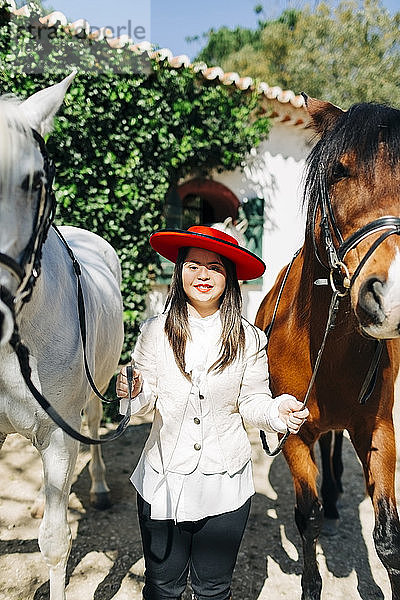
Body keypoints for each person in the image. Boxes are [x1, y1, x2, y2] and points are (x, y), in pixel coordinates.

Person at [116, 225, 309, 600]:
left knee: (214, 588)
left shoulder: (250, 338)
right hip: (163, 480)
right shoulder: (154, 332)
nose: (203, 275)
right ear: (180, 272)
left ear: (229, 277)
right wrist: (133, 393)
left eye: (215, 267)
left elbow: (251, 401)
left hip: (225, 484)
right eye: (193, 265)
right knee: (162, 587)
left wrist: (275, 411)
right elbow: (141, 404)